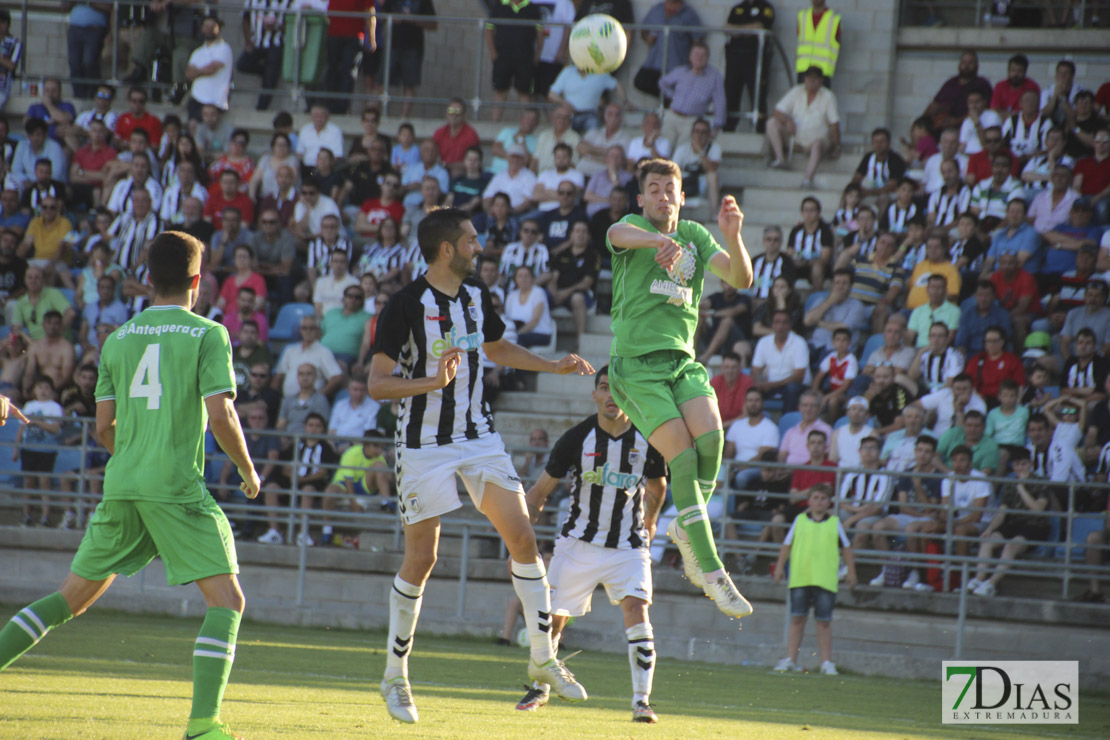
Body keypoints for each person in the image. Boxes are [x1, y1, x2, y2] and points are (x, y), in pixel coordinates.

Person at [0, 231, 260, 740]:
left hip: (121, 485)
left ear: (147, 279)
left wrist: (136, 460)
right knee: (227, 602)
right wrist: (249, 471)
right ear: (197, 281)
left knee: (67, 600)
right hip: (174, 486)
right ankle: (204, 726)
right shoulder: (209, 334)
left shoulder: (117, 340)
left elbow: (102, 428)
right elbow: (222, 413)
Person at [368, 207, 592, 723]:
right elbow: (379, 384)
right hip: (422, 441)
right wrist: (431, 383)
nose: (479, 247)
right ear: (446, 249)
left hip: (478, 435)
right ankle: (395, 677)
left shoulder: (476, 296)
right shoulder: (404, 305)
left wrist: (551, 362)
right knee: (422, 558)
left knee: (523, 537)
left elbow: (495, 347)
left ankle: (542, 658)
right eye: (471, 240)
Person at [603, 157, 757, 619]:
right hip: (635, 366)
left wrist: (732, 233)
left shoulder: (695, 233)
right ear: (641, 198)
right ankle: (711, 572)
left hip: (682, 361)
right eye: (653, 188)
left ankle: (685, 528)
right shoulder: (632, 227)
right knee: (683, 457)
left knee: (711, 438)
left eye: (670, 188)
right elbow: (616, 235)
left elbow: (741, 278)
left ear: (682, 197)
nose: (662, 195)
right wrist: (657, 240)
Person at [520, 367, 667, 722]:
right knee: (554, 620)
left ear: (628, 395)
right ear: (595, 395)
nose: (610, 396)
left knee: (637, 610)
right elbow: (539, 493)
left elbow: (658, 486)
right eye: (604, 388)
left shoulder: (648, 439)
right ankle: (540, 689)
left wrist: (650, 520)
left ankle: (641, 701)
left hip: (628, 547)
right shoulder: (576, 439)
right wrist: (520, 537)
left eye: (617, 389)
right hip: (578, 544)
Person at [772, 483, 856, 675]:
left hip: (825, 579)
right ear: (809, 500)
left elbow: (847, 548)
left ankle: (826, 662)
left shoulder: (835, 523)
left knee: (824, 622)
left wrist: (851, 571)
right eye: (816, 498)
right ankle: (790, 659)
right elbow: (787, 545)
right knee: (797, 619)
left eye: (823, 498)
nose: (819, 502)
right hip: (801, 577)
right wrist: (779, 567)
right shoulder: (799, 520)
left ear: (829, 502)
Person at [766, 66, 841, 189]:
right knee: (771, 123)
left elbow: (834, 123)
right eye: (808, 77)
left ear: (820, 80)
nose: (811, 81)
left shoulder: (828, 96)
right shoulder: (796, 91)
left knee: (818, 144)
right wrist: (788, 120)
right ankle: (780, 159)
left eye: (814, 78)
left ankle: (807, 178)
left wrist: (837, 146)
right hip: (795, 137)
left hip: (816, 141)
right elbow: (777, 111)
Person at [658, 42, 727, 148]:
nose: (699, 58)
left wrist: (717, 126)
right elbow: (663, 83)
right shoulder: (681, 71)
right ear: (690, 56)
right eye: (696, 54)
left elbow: (720, 102)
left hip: (692, 121)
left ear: (707, 58)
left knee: (681, 151)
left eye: (702, 55)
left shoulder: (714, 76)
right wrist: (673, 96)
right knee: (663, 148)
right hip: (672, 116)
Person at [485, 0, 542, 122]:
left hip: (525, 57)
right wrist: (493, 54)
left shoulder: (533, 8)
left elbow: (540, 34)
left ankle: (526, 125)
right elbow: (489, 30)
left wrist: (536, 56)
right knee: (500, 91)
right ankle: (494, 125)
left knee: (524, 93)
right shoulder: (499, 6)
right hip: (503, 57)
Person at [378, 0, 438, 118]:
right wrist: (393, 18)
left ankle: (403, 117)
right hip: (392, 45)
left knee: (409, 84)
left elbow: (434, 25)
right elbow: (380, 16)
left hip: (413, 48)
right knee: (381, 82)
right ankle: (376, 115)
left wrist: (414, 19)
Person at [634, 0, 704, 98]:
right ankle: (668, 100)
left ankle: (669, 103)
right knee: (640, 82)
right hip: (654, 63)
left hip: (676, 65)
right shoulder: (656, 10)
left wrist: (694, 63)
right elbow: (644, 30)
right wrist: (647, 38)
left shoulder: (689, 13)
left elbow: (698, 39)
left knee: (675, 89)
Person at [723, 0, 775, 133]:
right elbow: (727, 28)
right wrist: (748, 29)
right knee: (731, 94)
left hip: (755, 59)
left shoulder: (766, 8)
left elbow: (759, 26)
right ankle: (728, 130)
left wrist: (738, 30)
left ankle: (760, 131)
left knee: (757, 95)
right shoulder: (737, 8)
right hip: (734, 58)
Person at [923, 49, 992, 131]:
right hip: (943, 128)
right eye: (964, 62)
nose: (966, 66)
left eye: (970, 63)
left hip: (968, 127)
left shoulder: (982, 84)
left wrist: (956, 121)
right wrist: (922, 122)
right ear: (959, 64)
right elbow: (935, 104)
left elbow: (984, 111)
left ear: (977, 66)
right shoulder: (950, 83)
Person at [237, 0, 288, 111]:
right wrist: (248, 42)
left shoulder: (287, 2)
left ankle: (261, 109)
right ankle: (266, 71)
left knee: (269, 82)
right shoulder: (252, 1)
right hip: (257, 43)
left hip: (276, 44)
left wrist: (276, 27)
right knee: (242, 65)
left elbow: (292, 26)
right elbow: (245, 20)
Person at [184, 16, 233, 125]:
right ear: (202, 29)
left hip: (215, 100)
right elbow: (188, 74)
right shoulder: (197, 52)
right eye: (206, 26)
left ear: (219, 28)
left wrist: (197, 71)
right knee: (192, 126)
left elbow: (212, 69)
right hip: (196, 97)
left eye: (213, 26)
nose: (209, 29)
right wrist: (203, 71)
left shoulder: (224, 48)